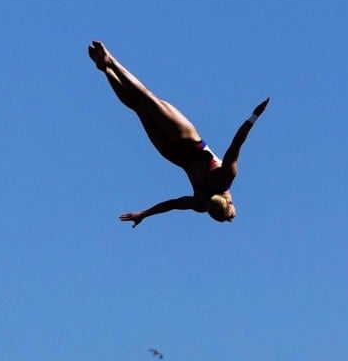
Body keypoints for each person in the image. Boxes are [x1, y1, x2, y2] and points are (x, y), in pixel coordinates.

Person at [88, 40, 269, 226]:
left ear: (229, 201)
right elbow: (173, 205)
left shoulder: (226, 178)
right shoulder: (201, 204)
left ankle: (112, 62)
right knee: (138, 107)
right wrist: (144, 213)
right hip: (171, 153)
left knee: (148, 99)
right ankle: (106, 70)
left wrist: (254, 116)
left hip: (187, 139)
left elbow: (237, 142)